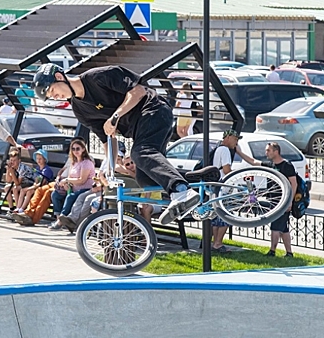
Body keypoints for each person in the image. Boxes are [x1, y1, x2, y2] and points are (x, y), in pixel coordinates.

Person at [33, 63, 200, 225]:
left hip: (154, 110)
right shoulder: (80, 110)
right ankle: (200, 187)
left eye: (52, 90)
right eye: (50, 97)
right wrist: (108, 168)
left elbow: (138, 91)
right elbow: (108, 139)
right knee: (145, 178)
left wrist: (115, 117)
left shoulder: (97, 77)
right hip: (138, 129)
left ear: (59, 76)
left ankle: (180, 190)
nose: (54, 97)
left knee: (140, 152)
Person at [235, 142, 297, 257]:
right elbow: (253, 162)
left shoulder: (286, 165)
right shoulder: (270, 165)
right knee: (283, 228)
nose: (266, 153)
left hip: (283, 201)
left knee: (275, 225)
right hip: (273, 200)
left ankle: (272, 251)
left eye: (268, 150)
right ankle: (289, 253)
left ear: (276, 151)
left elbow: (294, 184)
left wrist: (290, 201)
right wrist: (239, 152)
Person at [48, 138, 95, 230]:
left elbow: (82, 180)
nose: (75, 151)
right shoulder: (74, 162)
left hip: (85, 189)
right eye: (73, 149)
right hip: (73, 188)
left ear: (83, 149)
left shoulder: (86, 163)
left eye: (78, 149)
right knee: (55, 194)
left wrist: (67, 180)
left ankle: (60, 221)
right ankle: (59, 218)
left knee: (70, 197)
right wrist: (67, 184)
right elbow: (70, 177)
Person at [210, 129, 241, 253]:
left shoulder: (218, 149)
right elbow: (227, 170)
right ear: (227, 137)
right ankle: (218, 243)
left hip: (216, 186)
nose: (236, 142)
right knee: (226, 216)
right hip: (224, 187)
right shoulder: (225, 150)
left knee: (217, 216)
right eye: (235, 139)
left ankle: (215, 243)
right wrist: (238, 176)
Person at [16, 149, 54, 213]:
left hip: (42, 188)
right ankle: (18, 207)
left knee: (29, 192)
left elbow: (41, 183)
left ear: (44, 159)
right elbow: (35, 180)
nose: (38, 160)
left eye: (40, 159)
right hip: (35, 185)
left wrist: (29, 188)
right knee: (22, 190)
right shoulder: (37, 169)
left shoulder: (47, 170)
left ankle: (22, 209)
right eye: (37, 158)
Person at [4, 149, 38, 214]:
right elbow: (8, 180)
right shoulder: (13, 167)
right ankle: (11, 208)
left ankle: (17, 208)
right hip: (22, 184)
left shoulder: (22, 168)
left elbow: (17, 183)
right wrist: (8, 170)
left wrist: (12, 173)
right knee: (6, 188)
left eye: (14, 160)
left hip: (30, 183)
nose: (12, 162)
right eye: (11, 160)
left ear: (19, 161)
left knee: (15, 188)